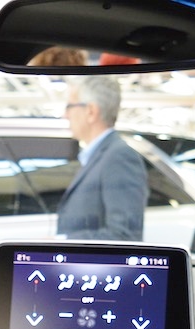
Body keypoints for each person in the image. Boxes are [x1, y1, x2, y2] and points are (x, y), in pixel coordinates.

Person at [56, 77, 147, 241]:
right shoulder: (100, 156)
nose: (65, 115)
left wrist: (63, 242)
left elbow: (124, 236)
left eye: (69, 106)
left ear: (91, 111)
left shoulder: (119, 158)